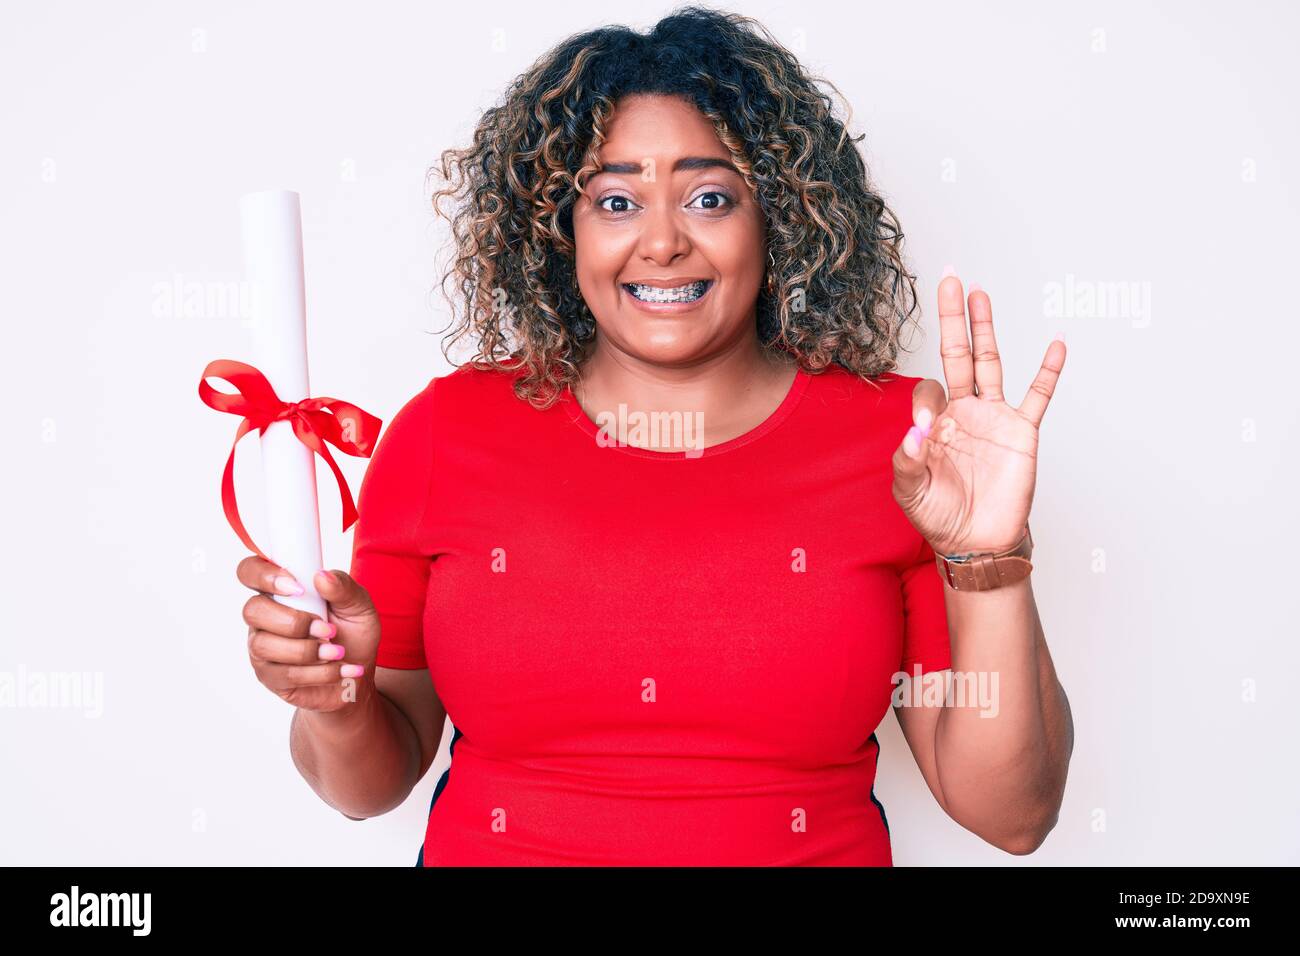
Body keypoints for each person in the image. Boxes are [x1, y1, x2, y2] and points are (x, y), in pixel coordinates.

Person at [238, 6, 1073, 865]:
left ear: (776, 218)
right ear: (564, 231)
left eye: (710, 197)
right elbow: (365, 788)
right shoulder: (448, 432)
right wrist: (335, 703)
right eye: (616, 200)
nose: (664, 241)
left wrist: (989, 563)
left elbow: (1010, 816)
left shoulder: (900, 442)